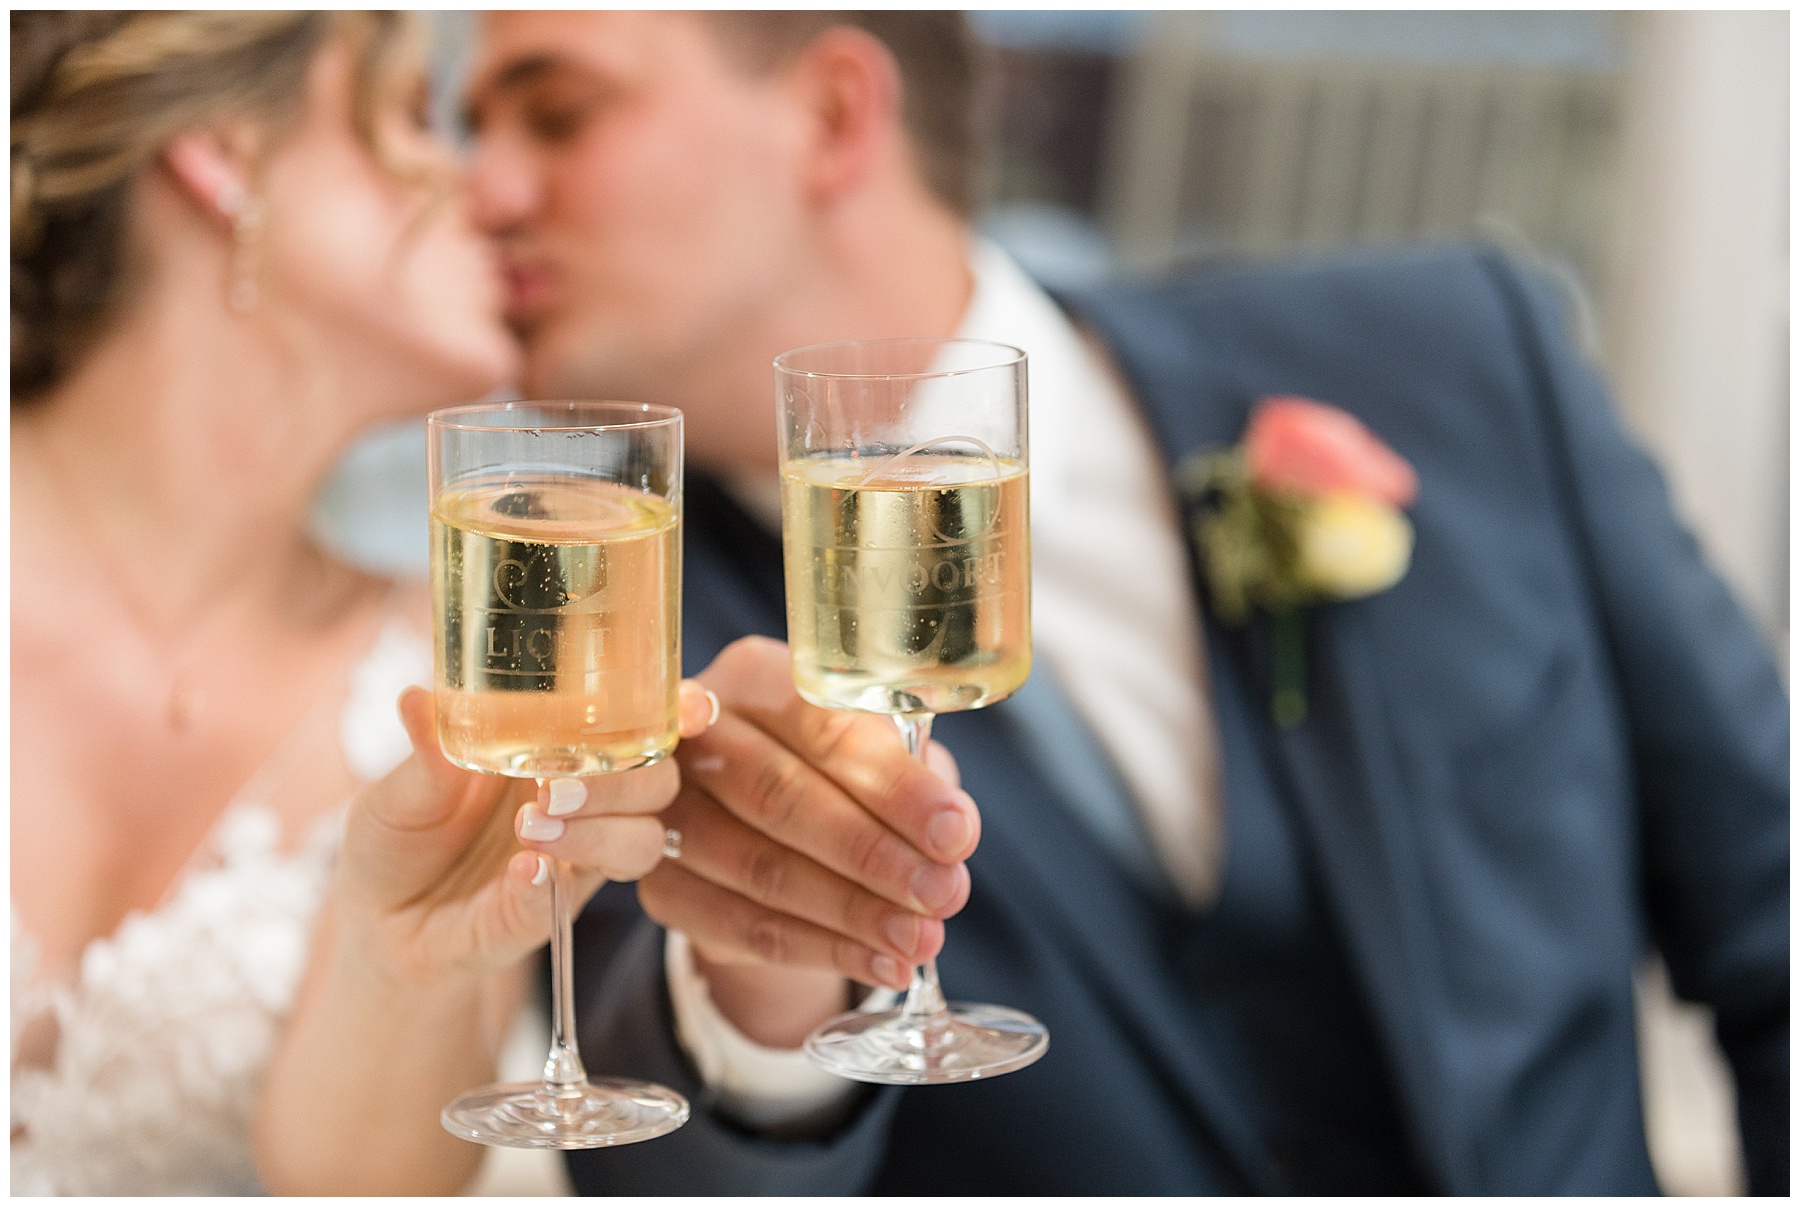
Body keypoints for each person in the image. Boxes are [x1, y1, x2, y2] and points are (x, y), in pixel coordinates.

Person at [460, 10, 1789, 1196]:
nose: (484, 190)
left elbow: (1775, 910)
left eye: (558, 110)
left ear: (833, 116)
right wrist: (765, 973)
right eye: (467, 131)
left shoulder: (1449, 352)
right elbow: (673, 1167)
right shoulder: (612, 640)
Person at [10, 12, 711, 1195]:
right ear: (223, 153)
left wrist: (403, 967)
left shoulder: (448, 686)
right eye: (415, 119)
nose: (488, 193)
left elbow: (363, 1186)